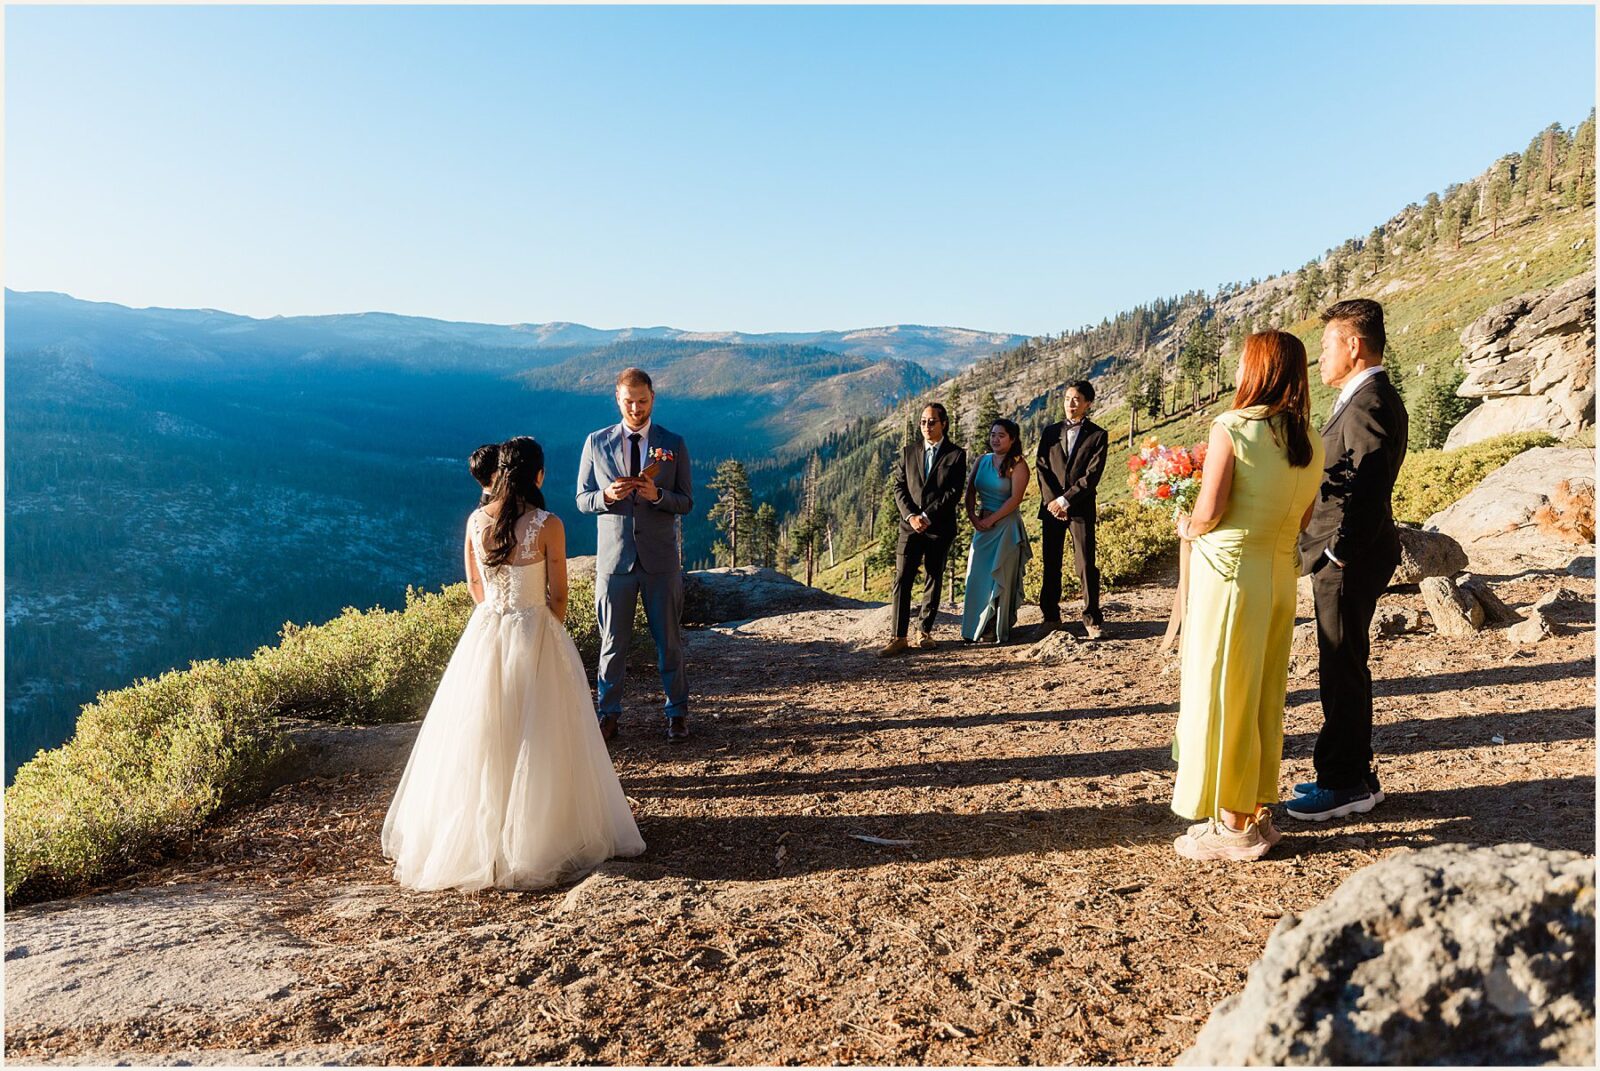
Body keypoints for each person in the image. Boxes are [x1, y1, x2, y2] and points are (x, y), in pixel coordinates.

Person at [382, 436, 645, 891]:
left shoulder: (475, 520)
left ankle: (473, 838)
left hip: (485, 633)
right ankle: (538, 835)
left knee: (481, 731)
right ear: (538, 475)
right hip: (533, 630)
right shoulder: (548, 524)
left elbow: (474, 585)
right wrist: (546, 630)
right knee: (539, 732)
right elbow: (558, 593)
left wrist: (496, 616)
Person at [1171, 331, 1324, 861]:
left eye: (1242, 362)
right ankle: (1254, 812)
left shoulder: (1232, 428)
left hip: (1230, 577)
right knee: (1261, 694)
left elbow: (1211, 511)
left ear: (1256, 369)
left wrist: (1186, 525)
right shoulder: (1309, 438)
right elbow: (1304, 520)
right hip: (1280, 577)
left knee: (1223, 690)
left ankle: (1232, 825)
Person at [1288, 299, 1408, 822]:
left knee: (1341, 666)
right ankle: (1356, 774)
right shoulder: (1366, 397)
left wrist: (1337, 551)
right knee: (1346, 664)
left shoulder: (1370, 403)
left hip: (1347, 559)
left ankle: (1342, 783)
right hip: (1347, 555)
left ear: (1353, 346)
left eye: (1326, 346)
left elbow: (1371, 484)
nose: (1320, 359)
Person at [576, 368, 694, 741]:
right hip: (615, 562)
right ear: (617, 399)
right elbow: (581, 500)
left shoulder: (673, 443)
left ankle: (677, 714)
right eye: (629, 401)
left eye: (642, 401)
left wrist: (656, 497)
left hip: (660, 560)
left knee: (669, 642)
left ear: (653, 398)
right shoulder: (596, 442)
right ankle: (608, 716)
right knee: (612, 644)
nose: (636, 408)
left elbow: (687, 502)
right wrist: (606, 496)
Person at [880, 403, 967, 657]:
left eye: (932, 422)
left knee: (933, 577)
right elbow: (899, 487)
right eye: (923, 422)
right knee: (902, 579)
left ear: (944, 424)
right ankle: (898, 636)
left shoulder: (956, 455)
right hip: (909, 527)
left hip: (938, 526)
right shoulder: (909, 452)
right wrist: (911, 515)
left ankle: (924, 631)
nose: (926, 426)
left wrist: (927, 516)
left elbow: (953, 492)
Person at [1035, 380, 1108, 639]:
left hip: (1080, 508)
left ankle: (1091, 618)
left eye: (1076, 399)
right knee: (1051, 563)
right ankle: (1051, 617)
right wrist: (1052, 502)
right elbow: (1042, 468)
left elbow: (1092, 476)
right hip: (1051, 508)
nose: (1070, 403)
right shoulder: (1050, 432)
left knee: (1086, 563)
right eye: (1067, 398)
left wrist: (1066, 501)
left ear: (1087, 403)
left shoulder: (1098, 435)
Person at [960, 418, 1033, 644]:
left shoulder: (1018, 465)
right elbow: (970, 490)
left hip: (1006, 528)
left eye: (1001, 435)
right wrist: (973, 516)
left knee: (1000, 578)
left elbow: (1015, 499)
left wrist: (992, 518)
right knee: (977, 577)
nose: (995, 439)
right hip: (982, 526)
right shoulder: (982, 460)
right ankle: (975, 626)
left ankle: (994, 626)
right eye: (993, 434)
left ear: (1012, 439)